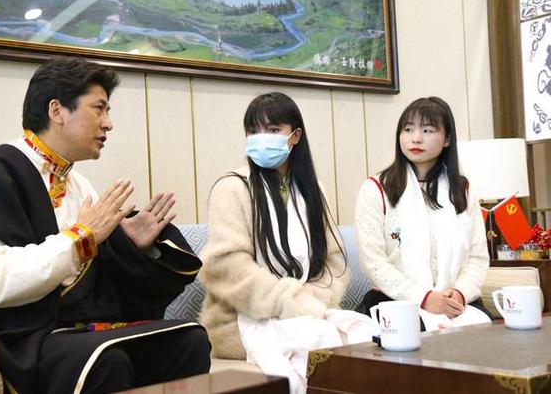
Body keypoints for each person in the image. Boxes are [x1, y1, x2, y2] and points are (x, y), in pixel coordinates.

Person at [0, 58, 210, 393]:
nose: (108, 123)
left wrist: (128, 244)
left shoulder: (79, 185)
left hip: (64, 327)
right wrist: (82, 239)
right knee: (105, 361)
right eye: (99, 109)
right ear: (57, 111)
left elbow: (97, 277)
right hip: (7, 332)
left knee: (188, 342)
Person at [199, 91, 351, 362]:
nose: (261, 138)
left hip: (310, 310)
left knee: (366, 335)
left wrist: (310, 300)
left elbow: (333, 261)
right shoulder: (231, 187)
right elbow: (226, 266)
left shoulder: (313, 191)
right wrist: (288, 301)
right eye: (253, 131)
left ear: (295, 136)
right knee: (320, 340)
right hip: (240, 321)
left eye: (272, 130)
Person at [354, 96, 491, 329]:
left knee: (483, 334)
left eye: (427, 130)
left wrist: (459, 294)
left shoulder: (462, 189)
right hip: (395, 301)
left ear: (447, 139)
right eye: (408, 129)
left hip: (455, 302)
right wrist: (425, 298)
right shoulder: (376, 188)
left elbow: (477, 258)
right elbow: (373, 262)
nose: (415, 138)